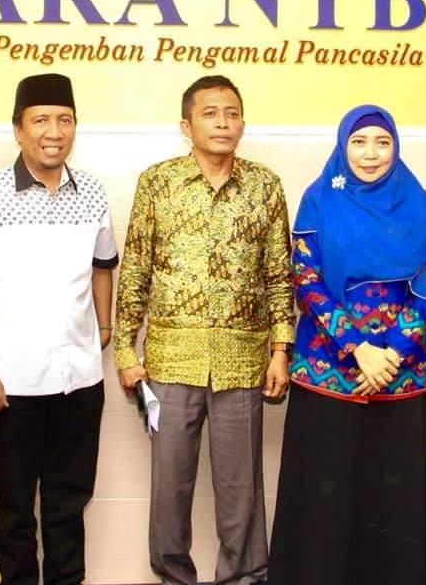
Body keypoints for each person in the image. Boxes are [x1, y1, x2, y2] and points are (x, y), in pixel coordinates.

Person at [114, 75, 293, 585]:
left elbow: (279, 274)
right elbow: (136, 269)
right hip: (172, 359)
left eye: (231, 113)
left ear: (243, 123)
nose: (222, 123)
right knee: (170, 485)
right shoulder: (158, 182)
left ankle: (244, 577)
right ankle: (173, 577)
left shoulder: (264, 185)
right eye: (210, 113)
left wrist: (281, 349)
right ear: (186, 125)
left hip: (243, 360)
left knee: (242, 487)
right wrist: (125, 351)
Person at [268, 104, 426, 585]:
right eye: (359, 142)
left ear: (395, 148)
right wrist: (358, 348)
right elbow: (307, 281)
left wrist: (391, 353)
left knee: (394, 493)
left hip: (399, 373)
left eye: (382, 142)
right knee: (325, 490)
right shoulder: (319, 200)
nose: (371, 154)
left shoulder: (415, 203)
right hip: (330, 370)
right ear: (342, 146)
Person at [0, 73, 118, 585]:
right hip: (11, 383)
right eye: (41, 120)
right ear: (18, 130)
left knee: (70, 501)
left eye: (65, 120)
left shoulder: (92, 192)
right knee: (16, 507)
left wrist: (103, 326)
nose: (54, 132)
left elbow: (103, 264)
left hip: (80, 381)